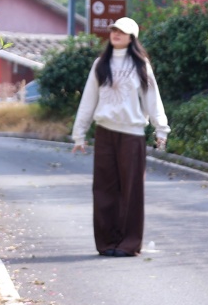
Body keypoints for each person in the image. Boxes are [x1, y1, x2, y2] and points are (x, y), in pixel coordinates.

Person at [71, 16, 170, 257]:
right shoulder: (100, 64)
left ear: (131, 37)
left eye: (122, 32)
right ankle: (106, 242)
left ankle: (128, 243)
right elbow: (88, 99)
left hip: (132, 134)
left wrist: (161, 129)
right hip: (105, 132)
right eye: (114, 30)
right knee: (104, 189)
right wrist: (79, 134)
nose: (116, 34)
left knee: (131, 190)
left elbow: (152, 99)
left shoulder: (141, 65)